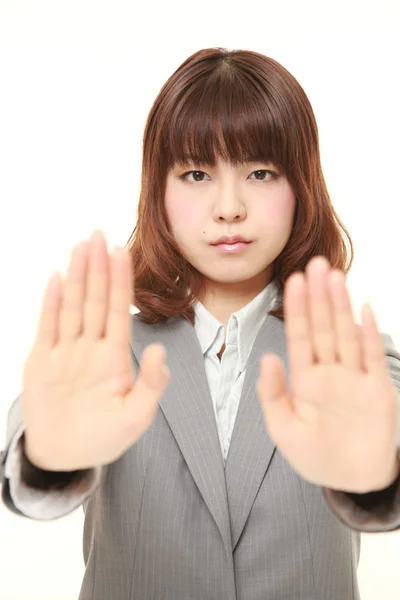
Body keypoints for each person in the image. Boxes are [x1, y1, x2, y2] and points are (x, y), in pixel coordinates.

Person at [1, 47, 400, 600]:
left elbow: (390, 432)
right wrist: (46, 461)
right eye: (196, 173)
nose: (229, 207)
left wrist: (379, 476)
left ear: (301, 187)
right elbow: (30, 460)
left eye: (261, 172)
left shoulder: (350, 361)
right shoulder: (107, 355)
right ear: (158, 191)